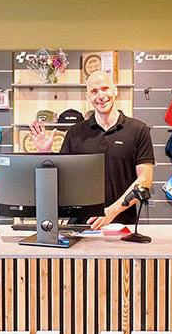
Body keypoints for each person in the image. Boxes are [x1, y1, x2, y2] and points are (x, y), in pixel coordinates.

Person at [29, 70, 154, 229]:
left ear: (115, 90)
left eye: (105, 88)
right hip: (79, 227)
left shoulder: (138, 130)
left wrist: (112, 211)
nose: (101, 96)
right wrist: (46, 153)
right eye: (94, 91)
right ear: (88, 96)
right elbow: (59, 179)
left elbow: (145, 179)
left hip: (121, 226)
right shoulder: (75, 133)